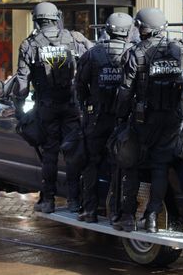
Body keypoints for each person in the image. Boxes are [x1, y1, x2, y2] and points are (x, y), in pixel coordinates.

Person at [113, 7, 183, 233]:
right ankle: (151, 218)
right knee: (160, 167)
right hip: (171, 119)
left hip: (143, 120)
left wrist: (120, 117)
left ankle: (128, 216)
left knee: (133, 165)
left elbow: (126, 91)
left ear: (142, 28)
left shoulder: (136, 53)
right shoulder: (179, 50)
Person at [13, 1, 91, 214]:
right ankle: (75, 201)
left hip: (46, 107)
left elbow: (21, 82)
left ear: (36, 19)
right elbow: (94, 62)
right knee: (73, 152)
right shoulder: (75, 39)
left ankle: (48, 200)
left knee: (50, 153)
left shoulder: (29, 44)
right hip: (71, 105)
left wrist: (20, 112)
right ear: (56, 17)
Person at [75, 12, 134, 223]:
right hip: (122, 120)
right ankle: (116, 212)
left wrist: (86, 107)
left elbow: (79, 87)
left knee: (91, 163)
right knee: (119, 166)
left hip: (96, 118)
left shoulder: (92, 54)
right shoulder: (133, 53)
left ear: (107, 29)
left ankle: (89, 211)